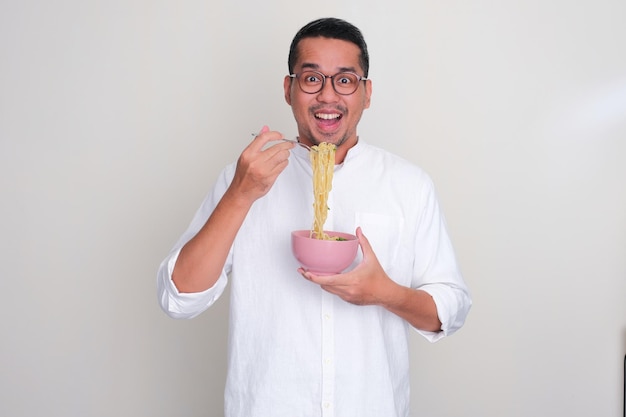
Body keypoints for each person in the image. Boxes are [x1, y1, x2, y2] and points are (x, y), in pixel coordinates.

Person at [157, 17, 471, 417]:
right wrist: (240, 194)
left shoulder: (409, 185)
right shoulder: (247, 175)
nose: (327, 96)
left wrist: (384, 293)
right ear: (289, 89)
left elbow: (452, 307)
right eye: (311, 79)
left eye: (345, 80)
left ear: (366, 93)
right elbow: (178, 298)